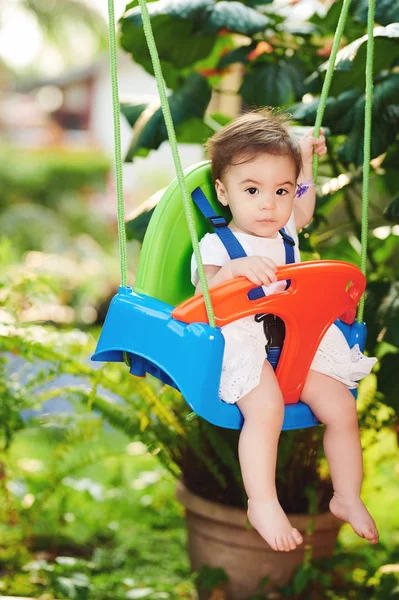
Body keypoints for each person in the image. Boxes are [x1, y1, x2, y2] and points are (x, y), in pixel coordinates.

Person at [191, 111, 378, 553]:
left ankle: (347, 495)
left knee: (340, 408)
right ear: (223, 191)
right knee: (267, 409)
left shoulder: (287, 225)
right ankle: (262, 501)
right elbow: (203, 292)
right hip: (246, 343)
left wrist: (307, 167)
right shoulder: (218, 243)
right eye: (252, 190)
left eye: (282, 191)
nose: (269, 204)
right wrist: (234, 270)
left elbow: (306, 207)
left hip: (299, 340)